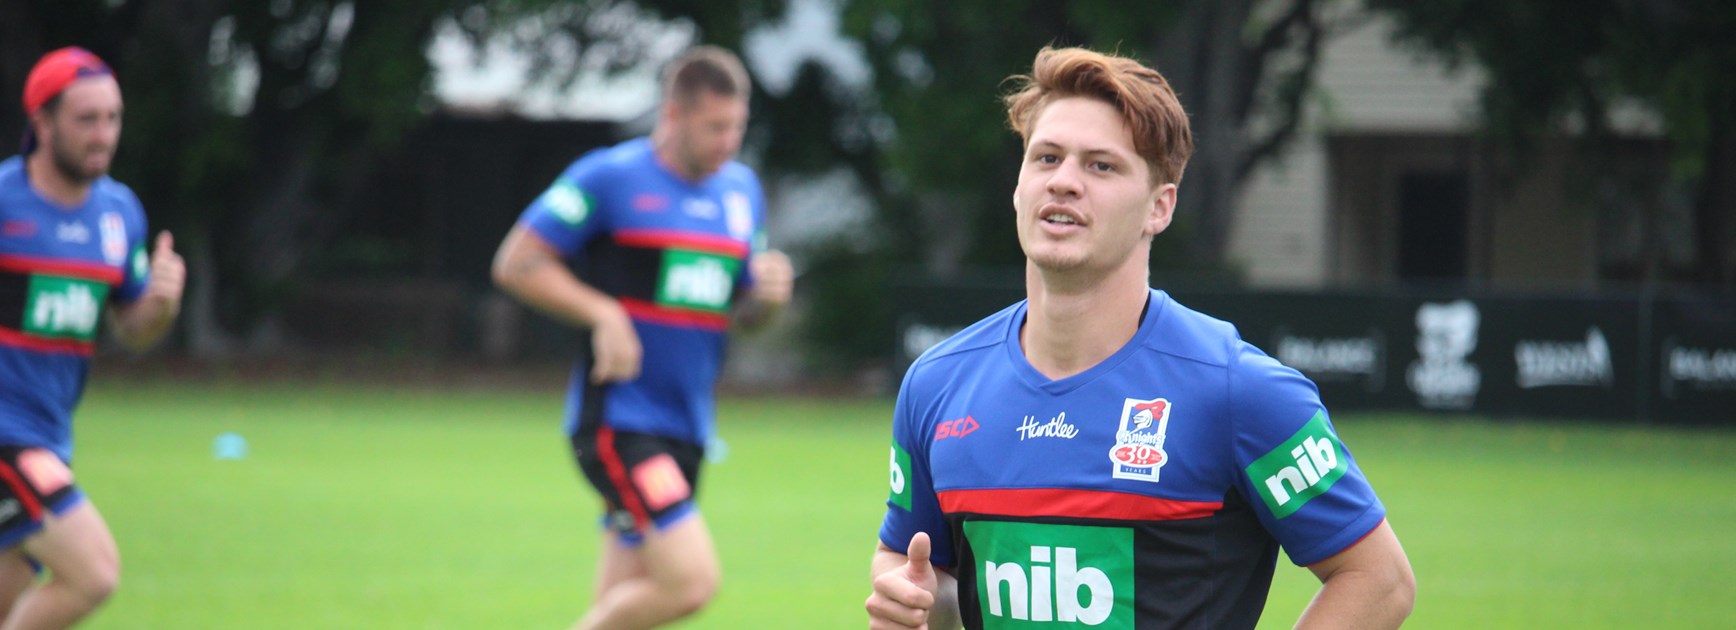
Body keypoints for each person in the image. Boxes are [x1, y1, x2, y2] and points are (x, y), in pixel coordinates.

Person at [866, 46, 1414, 629]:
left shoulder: (1238, 391)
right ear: (1020, 186)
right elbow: (920, 570)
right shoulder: (938, 384)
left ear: (1160, 206)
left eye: (1101, 166)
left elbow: (1378, 579)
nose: (1065, 182)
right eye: (1046, 157)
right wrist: (913, 606)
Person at [491, 45, 792, 630]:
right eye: (714, 127)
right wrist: (603, 313)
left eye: (737, 126)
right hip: (622, 420)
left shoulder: (741, 192)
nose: (728, 141)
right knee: (690, 583)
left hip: (688, 424)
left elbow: (742, 312)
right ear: (673, 115)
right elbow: (516, 262)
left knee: (623, 602)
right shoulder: (610, 177)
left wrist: (769, 300)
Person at [0, 46, 185, 628]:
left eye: (113, 118)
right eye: (86, 120)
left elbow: (132, 331)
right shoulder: (5, 203)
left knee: (12, 592)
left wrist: (161, 305)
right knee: (93, 572)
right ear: (42, 123)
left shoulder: (119, 213)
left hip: (50, 435)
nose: (103, 134)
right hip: (7, 437)